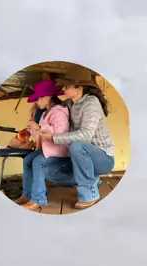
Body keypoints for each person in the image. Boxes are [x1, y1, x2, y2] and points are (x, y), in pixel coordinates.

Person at [39, 76, 115, 209]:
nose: (63, 89)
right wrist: (37, 111)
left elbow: (86, 134)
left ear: (79, 88)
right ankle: (93, 180)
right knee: (49, 171)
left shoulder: (91, 103)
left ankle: (89, 195)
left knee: (77, 146)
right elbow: (53, 107)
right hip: (81, 159)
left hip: (103, 158)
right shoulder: (69, 104)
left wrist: (54, 138)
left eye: (67, 86)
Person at [15, 80, 71, 211]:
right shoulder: (46, 113)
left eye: (37, 99)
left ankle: (38, 198)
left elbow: (60, 134)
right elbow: (39, 133)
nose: (36, 102)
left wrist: (39, 127)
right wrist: (32, 129)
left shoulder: (59, 112)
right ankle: (27, 194)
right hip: (48, 149)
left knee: (38, 162)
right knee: (28, 160)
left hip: (59, 150)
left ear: (46, 98)